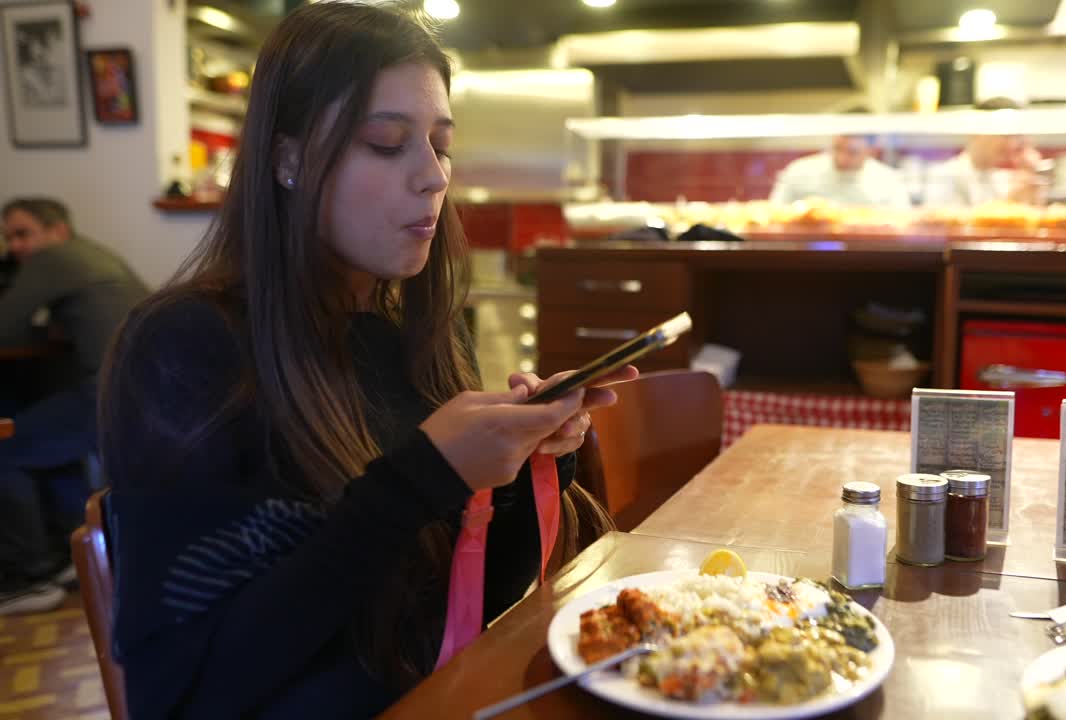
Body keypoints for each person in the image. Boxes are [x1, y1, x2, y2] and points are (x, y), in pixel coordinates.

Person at [96, 3, 635, 718]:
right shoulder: (185, 353)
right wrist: (421, 479)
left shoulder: (416, 333)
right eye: (386, 143)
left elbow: (468, 616)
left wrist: (523, 465)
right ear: (287, 159)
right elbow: (183, 693)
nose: (433, 177)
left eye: (441, 145)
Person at [0, 197, 148, 615]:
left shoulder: (56, 259)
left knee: (5, 445)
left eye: (22, 233)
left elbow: (5, 329)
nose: (14, 246)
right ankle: (66, 555)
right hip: (137, 389)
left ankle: (29, 577)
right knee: (50, 438)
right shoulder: (92, 255)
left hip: (108, 393)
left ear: (57, 231)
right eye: (8, 237)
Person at [923, 97, 1047, 207]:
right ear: (977, 131)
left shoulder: (1003, 177)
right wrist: (1010, 203)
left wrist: (1031, 183)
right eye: (1005, 135)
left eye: (1015, 136)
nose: (1012, 144)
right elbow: (950, 226)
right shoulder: (946, 176)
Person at [769, 135, 911, 209]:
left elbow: (903, 228)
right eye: (837, 148)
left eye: (852, 152)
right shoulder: (799, 171)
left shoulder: (889, 181)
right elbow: (773, 213)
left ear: (871, 151)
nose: (841, 158)